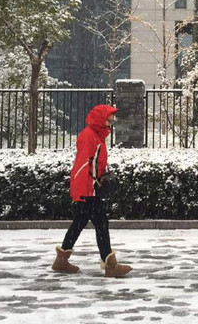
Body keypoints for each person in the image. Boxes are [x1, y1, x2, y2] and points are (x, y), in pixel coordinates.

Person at [51, 104, 132, 277]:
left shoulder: (96, 136)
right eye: (108, 120)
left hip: (88, 187)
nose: (111, 123)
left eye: (112, 120)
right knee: (101, 224)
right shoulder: (90, 136)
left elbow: (95, 163)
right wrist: (95, 184)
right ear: (100, 119)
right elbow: (85, 163)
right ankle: (110, 265)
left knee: (79, 222)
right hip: (88, 188)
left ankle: (61, 260)